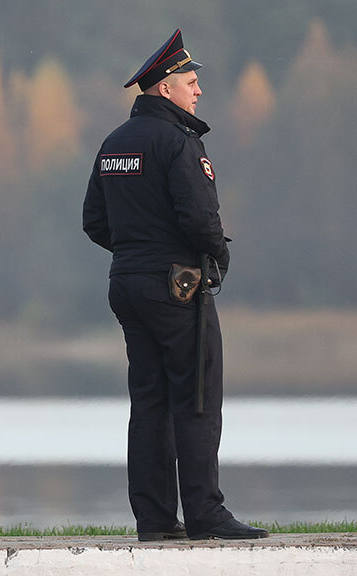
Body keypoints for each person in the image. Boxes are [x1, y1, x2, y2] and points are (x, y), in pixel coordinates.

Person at [83, 30, 269, 541]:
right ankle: (206, 514)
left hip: (127, 284)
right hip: (176, 288)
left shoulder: (113, 144)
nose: (198, 90)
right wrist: (218, 256)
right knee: (197, 396)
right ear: (165, 88)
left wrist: (136, 252)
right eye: (190, 82)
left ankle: (155, 519)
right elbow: (200, 219)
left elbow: (94, 222)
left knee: (149, 402)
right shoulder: (178, 142)